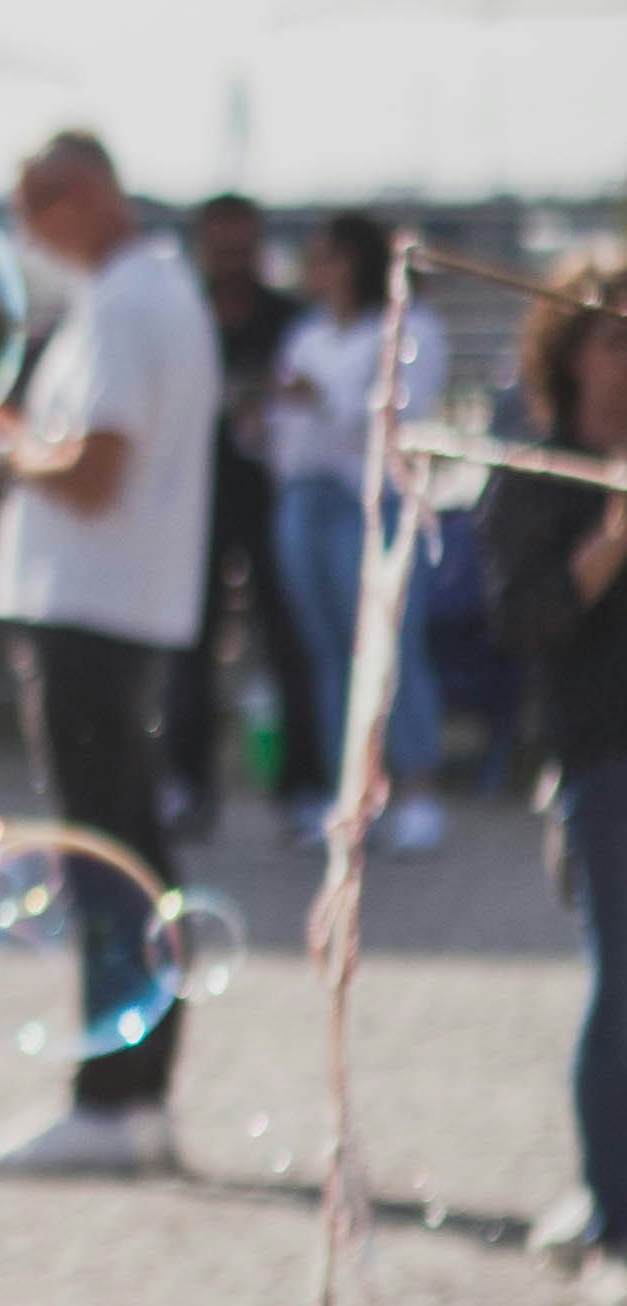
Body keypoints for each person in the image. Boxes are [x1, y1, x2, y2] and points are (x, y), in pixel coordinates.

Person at [0, 131, 219, 1180]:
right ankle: (135, 1090)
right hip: (116, 610)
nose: (26, 231)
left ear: (84, 195)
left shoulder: (124, 304)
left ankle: (110, 1099)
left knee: (104, 859)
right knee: (125, 851)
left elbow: (94, 472)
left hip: (92, 613)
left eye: (34, 206)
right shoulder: (148, 294)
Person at [479, 252, 627, 1268]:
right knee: (623, 980)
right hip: (602, 752)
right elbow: (523, 622)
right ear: (570, 353)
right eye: (617, 337)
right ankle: (612, 1202)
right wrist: (615, 531)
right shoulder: (536, 472)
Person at [267, 210, 451, 852]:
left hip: (375, 501)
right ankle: (353, 796)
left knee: (391, 647)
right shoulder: (307, 334)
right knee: (329, 658)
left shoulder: (412, 327)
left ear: (355, 261)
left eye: (326, 256)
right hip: (306, 497)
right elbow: (284, 434)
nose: (315, 270)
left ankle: (420, 790)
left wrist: (320, 401)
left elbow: (404, 414)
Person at [162, 195, 324, 832]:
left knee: (291, 645)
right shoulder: (182, 316)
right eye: (221, 249)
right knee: (188, 649)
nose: (232, 262)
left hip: (271, 503)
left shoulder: (292, 320)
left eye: (243, 249)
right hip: (193, 505)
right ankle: (187, 783)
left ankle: (303, 788)